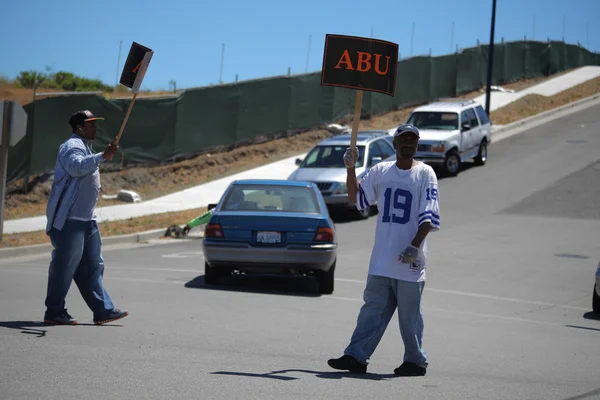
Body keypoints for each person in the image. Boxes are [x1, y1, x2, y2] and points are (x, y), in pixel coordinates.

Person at [327, 123, 441, 376]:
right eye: (404, 139)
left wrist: (415, 245)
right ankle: (356, 355)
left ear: (417, 145)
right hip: (382, 258)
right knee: (372, 310)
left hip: (410, 260)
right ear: (395, 144)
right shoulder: (381, 171)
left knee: (409, 317)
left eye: (413, 140)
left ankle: (415, 361)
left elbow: (428, 216)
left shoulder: (425, 174)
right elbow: (355, 197)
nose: (408, 144)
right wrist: (350, 168)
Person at [43, 110, 129, 326]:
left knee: (92, 265)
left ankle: (103, 310)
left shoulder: (84, 147)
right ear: (79, 128)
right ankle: (54, 311)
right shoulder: (71, 146)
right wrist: (103, 156)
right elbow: (76, 167)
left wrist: (102, 155)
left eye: (94, 124)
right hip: (69, 221)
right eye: (90, 124)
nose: (94, 127)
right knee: (64, 266)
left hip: (86, 220)